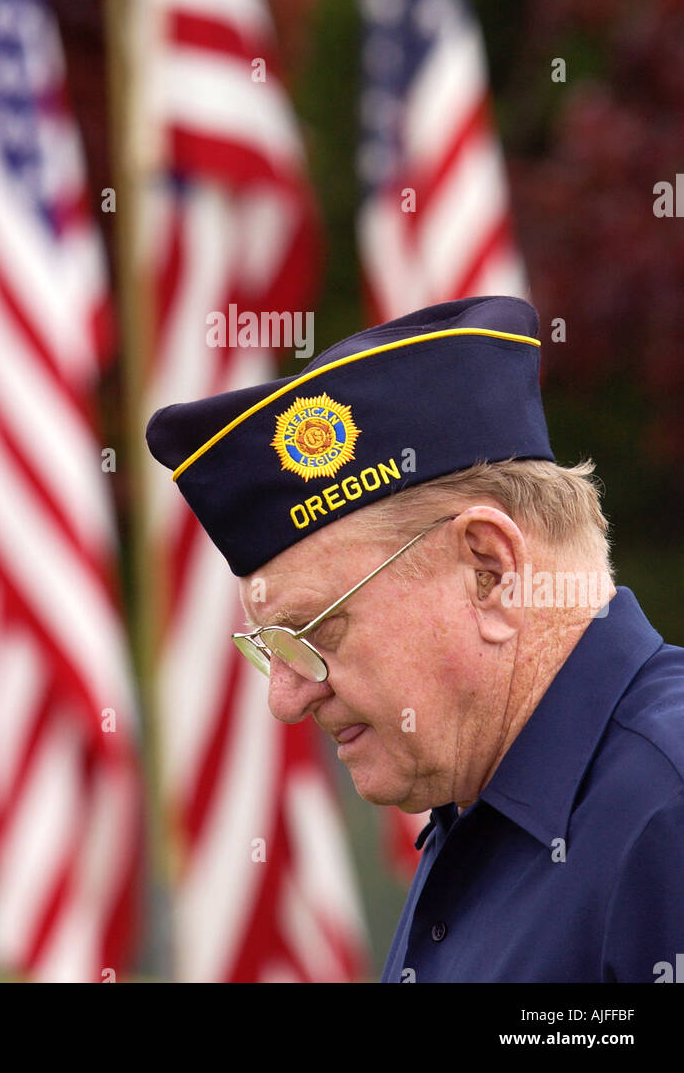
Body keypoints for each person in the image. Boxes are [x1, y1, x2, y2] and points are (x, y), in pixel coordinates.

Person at [146, 295, 684, 982]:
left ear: (490, 571)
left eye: (316, 631)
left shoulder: (664, 812)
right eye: (271, 648)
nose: (286, 698)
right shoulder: (481, 803)